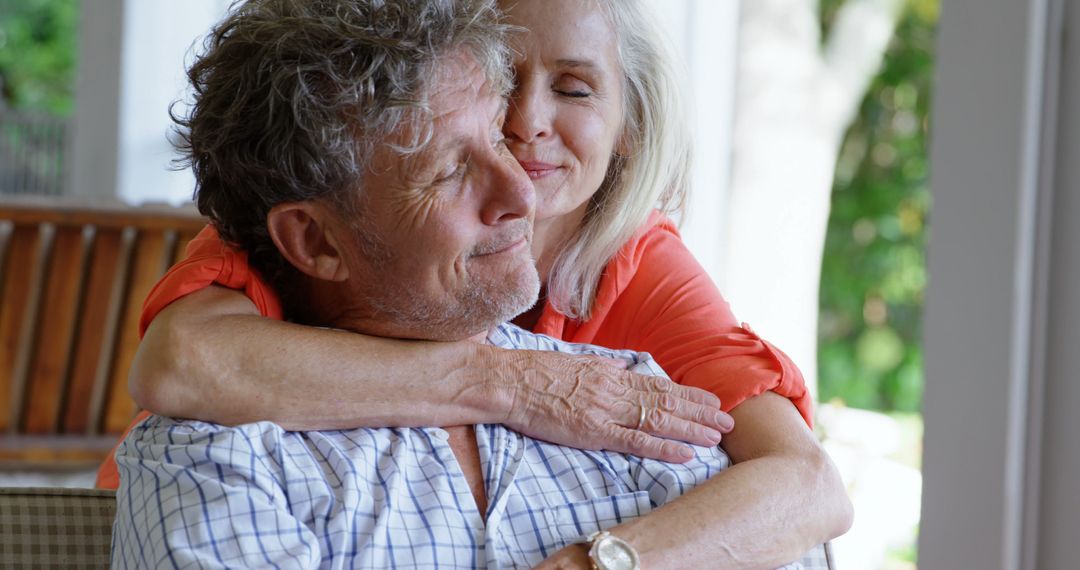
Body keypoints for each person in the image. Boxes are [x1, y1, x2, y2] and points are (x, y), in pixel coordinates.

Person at [106, 0, 852, 566]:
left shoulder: (637, 352)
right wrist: (506, 382)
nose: (527, 139)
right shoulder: (305, 232)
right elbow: (183, 365)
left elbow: (806, 485)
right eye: (460, 160)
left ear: (629, 128)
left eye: (575, 88)